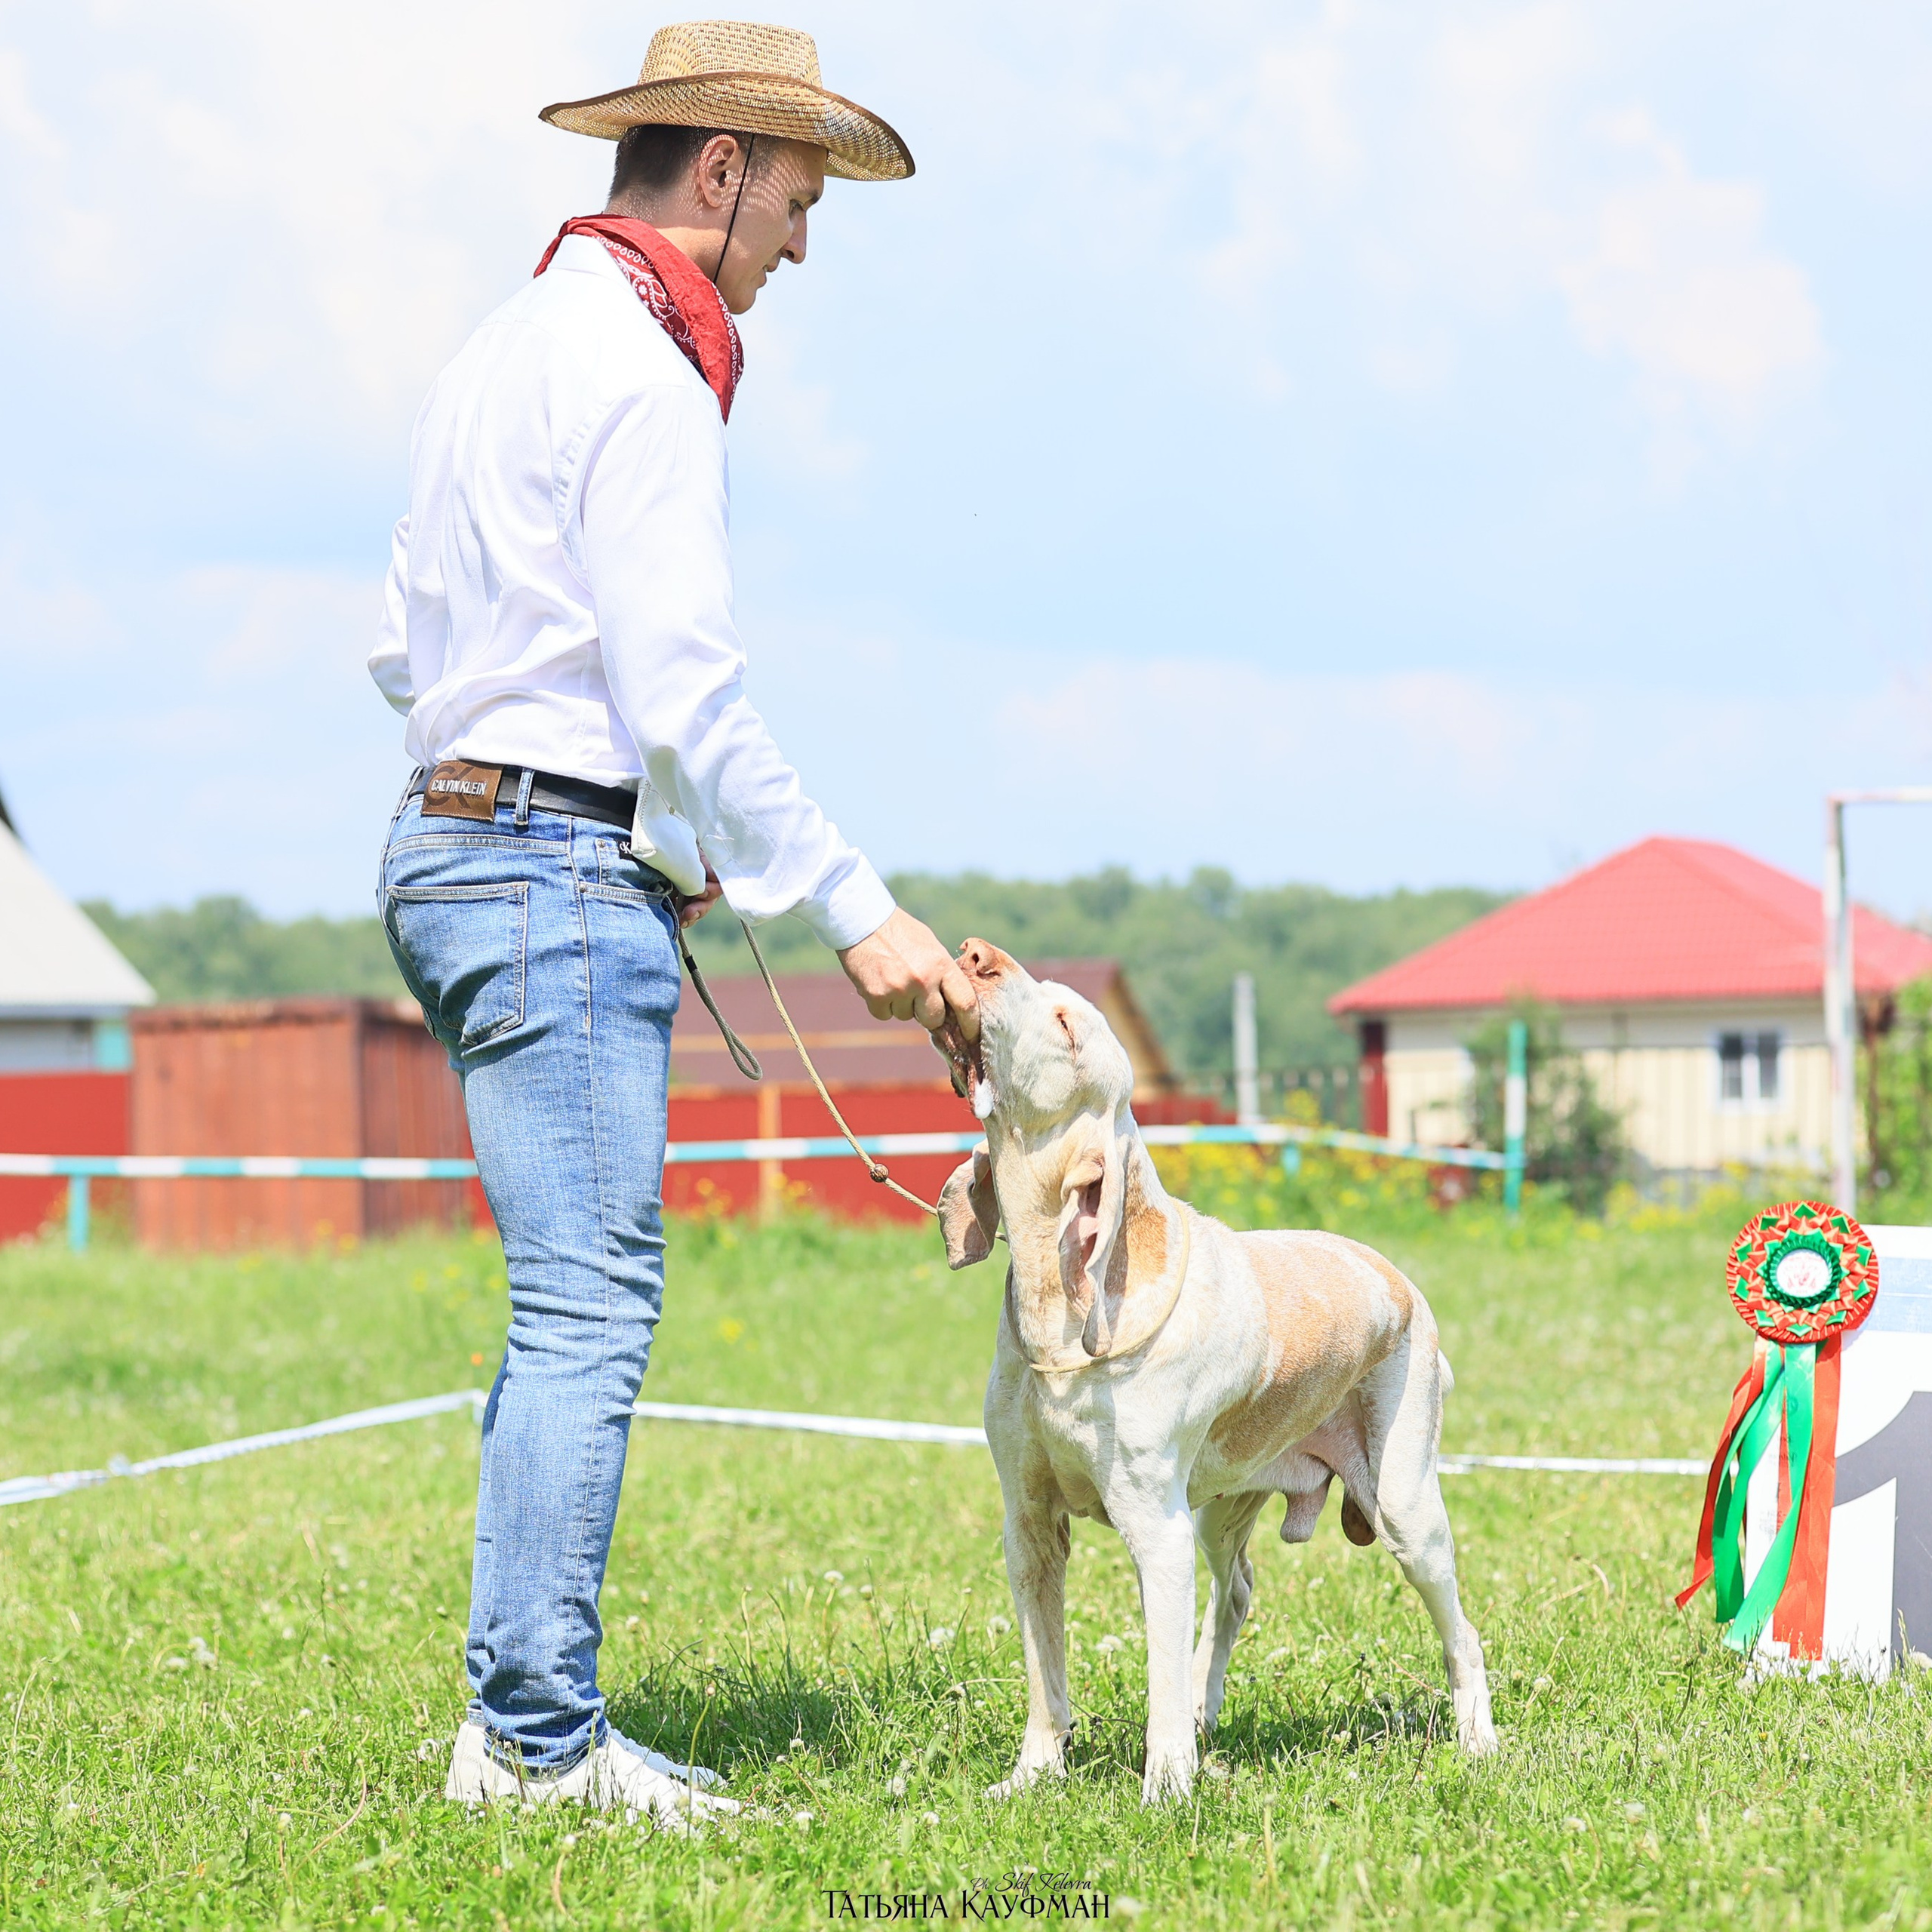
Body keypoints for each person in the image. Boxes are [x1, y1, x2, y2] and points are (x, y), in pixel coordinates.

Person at [367, 20, 975, 1823]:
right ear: (716, 170)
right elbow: (687, 688)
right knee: (587, 1308)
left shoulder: (491, 351)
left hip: (450, 845)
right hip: (545, 870)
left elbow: (400, 645)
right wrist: (856, 911)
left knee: (560, 1303)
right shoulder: (637, 370)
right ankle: (540, 1741)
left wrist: (610, 805)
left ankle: (512, 1718)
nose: (800, 242)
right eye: (794, 198)